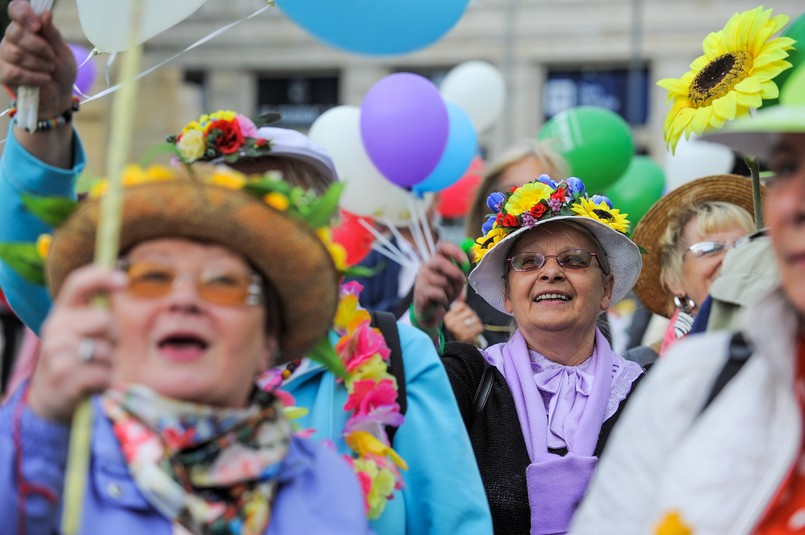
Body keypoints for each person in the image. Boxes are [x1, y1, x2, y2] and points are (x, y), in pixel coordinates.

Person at [0, 3, 493, 533]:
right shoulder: (128, 333)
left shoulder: (379, 382)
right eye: (215, 212)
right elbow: (36, 262)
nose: (237, 234)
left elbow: (453, 520)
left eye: (273, 210)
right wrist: (44, 117)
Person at [1, 160, 372, 533]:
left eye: (224, 282)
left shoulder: (326, 488)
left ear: (268, 342)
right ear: (109, 318)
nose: (185, 300)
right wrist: (42, 430)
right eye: (152, 277)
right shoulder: (45, 456)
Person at [567, 79, 805, 534]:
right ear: (673, 277)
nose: (795, 203)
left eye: (742, 243)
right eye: (788, 167)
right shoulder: (689, 379)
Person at [412, 176, 647, 533]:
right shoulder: (472, 374)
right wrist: (424, 327)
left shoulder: (649, 391)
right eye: (528, 262)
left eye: (574, 260)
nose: (551, 272)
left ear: (607, 290)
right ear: (507, 295)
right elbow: (402, 413)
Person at [448, 140, 571, 348]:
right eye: (512, 193)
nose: (526, 207)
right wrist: (458, 346)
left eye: (539, 192)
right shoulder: (456, 273)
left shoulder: (579, 273)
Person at [630, 174, 758, 357]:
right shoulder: (640, 371)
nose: (731, 257)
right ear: (675, 280)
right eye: (710, 249)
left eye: (744, 244)